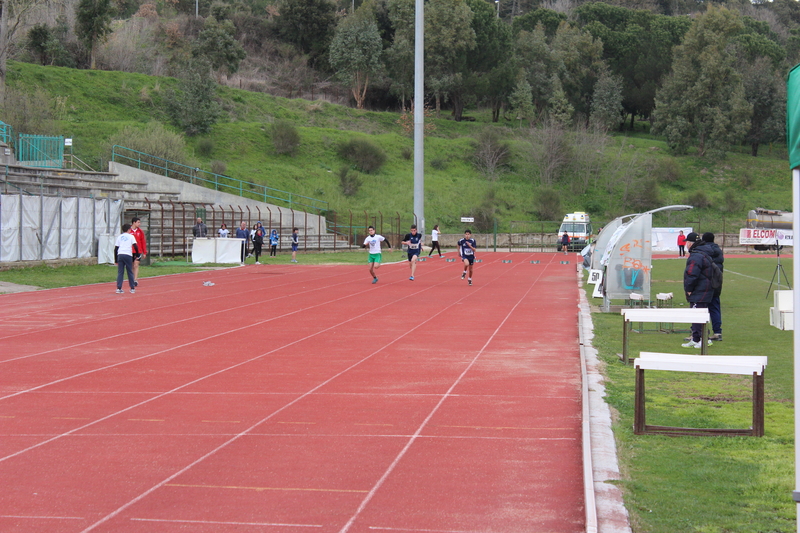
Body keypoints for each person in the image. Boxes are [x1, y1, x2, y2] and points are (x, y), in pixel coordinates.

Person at [681, 232, 715, 348]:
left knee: (698, 314)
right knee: (696, 313)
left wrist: (689, 288)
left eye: (687, 243)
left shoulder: (696, 255)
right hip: (704, 288)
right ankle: (696, 338)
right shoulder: (703, 253)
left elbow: (692, 273)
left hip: (700, 290)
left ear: (690, 243)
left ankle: (704, 339)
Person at [703, 232, 724, 341]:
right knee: (715, 308)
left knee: (701, 308)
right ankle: (717, 332)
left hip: (706, 284)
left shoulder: (705, 251)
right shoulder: (718, 250)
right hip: (717, 283)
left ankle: (701, 331)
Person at [114, 224, 138, 294]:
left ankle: (119, 288)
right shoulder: (131, 236)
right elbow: (135, 246)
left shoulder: (119, 237)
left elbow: (116, 248)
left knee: (120, 272)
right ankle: (132, 287)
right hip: (128, 254)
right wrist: (136, 255)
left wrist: (115, 259)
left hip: (120, 254)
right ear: (128, 229)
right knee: (129, 271)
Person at [130, 216, 147, 288]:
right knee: (131, 265)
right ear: (134, 223)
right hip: (130, 251)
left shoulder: (140, 232)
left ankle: (135, 280)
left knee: (136, 265)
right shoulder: (128, 231)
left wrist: (144, 252)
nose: (139, 224)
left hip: (138, 251)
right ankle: (131, 278)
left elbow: (143, 242)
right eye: (138, 222)